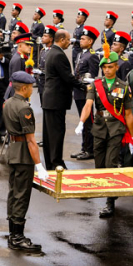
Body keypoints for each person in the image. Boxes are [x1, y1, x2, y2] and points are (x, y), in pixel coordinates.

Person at [77, 51, 133, 218]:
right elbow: (88, 105)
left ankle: (110, 203)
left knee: (111, 164)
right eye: (104, 67)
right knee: (99, 165)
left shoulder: (123, 86)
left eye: (110, 67)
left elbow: (129, 113)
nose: (107, 70)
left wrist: (132, 136)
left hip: (116, 129)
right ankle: (104, 189)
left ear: (116, 67)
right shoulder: (96, 85)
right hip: (100, 127)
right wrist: (82, 122)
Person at [3, 71, 47, 253]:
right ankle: (17, 237)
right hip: (23, 155)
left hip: (11, 151)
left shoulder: (8, 103)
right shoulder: (24, 108)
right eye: (31, 88)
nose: (32, 91)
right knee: (22, 195)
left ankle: (12, 232)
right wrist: (39, 165)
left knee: (14, 193)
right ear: (24, 88)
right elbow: (30, 140)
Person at [42, 29, 84, 170]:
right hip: (56, 101)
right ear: (61, 40)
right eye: (68, 40)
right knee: (56, 134)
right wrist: (84, 86)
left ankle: (50, 162)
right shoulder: (59, 55)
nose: (69, 42)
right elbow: (68, 77)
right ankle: (56, 163)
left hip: (50, 100)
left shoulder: (51, 52)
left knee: (49, 134)